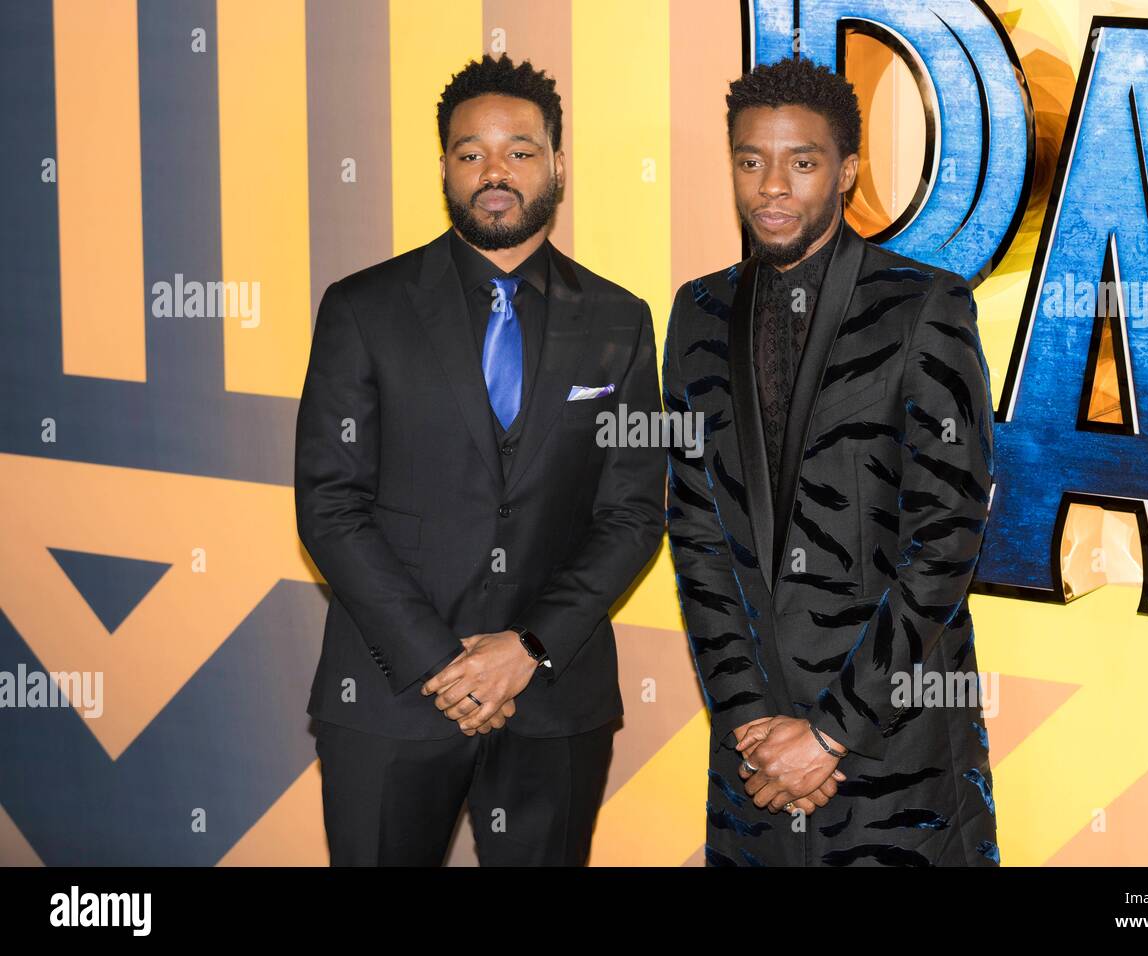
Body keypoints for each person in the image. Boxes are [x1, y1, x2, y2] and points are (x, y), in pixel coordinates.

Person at [295, 53, 663, 866]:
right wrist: (444, 665)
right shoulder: (363, 309)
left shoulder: (620, 319)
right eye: (471, 153)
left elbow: (634, 512)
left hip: (553, 697)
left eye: (520, 150)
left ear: (557, 164)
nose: (495, 171)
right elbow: (330, 503)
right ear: (444, 168)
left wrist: (525, 649)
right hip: (390, 695)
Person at [663, 56, 998, 866]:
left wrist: (829, 733)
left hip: (895, 752)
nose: (772, 186)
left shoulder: (926, 305)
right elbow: (695, 531)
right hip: (754, 763)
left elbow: (946, 543)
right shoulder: (697, 311)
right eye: (751, 160)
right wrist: (749, 720)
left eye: (801, 162)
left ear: (847, 172)